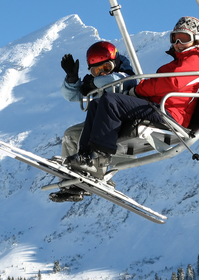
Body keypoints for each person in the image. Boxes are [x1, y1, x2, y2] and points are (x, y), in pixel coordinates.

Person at [66, 16, 199, 186]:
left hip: (170, 113)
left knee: (110, 101)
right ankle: (85, 157)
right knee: (96, 103)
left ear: (196, 40)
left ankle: (99, 157)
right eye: (174, 38)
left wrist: (138, 90)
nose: (178, 43)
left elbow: (171, 82)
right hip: (159, 106)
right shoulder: (181, 61)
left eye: (184, 38)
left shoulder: (198, 59)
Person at [49, 41, 136, 203]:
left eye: (106, 68)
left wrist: (92, 83)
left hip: (121, 122)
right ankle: (70, 180)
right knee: (71, 134)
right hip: (101, 123)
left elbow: (113, 80)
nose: (102, 73)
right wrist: (72, 78)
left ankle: (98, 170)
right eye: (97, 70)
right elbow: (72, 96)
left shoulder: (127, 76)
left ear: (115, 63)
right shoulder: (96, 81)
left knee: (92, 135)